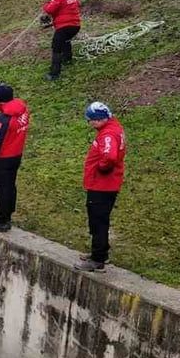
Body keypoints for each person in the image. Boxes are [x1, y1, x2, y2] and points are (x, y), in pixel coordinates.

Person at [79, 102, 126, 272]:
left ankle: (97, 259)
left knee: (98, 221)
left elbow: (110, 157)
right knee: (99, 219)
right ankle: (100, 252)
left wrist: (101, 167)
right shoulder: (114, 128)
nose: (90, 123)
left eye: (91, 120)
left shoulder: (107, 135)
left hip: (102, 185)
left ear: (99, 119)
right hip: (106, 184)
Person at [0, 84, 29, 232]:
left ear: (0, 101)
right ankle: (7, 215)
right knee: (10, 187)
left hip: (3, 158)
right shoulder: (22, 110)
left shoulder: (3, 119)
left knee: (2, 189)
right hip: (16, 154)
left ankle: (1, 220)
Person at [42, 0, 82, 82]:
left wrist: (46, 4)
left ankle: (54, 73)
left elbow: (50, 10)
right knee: (65, 41)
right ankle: (67, 59)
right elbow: (77, 4)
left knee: (56, 47)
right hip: (75, 25)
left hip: (64, 26)